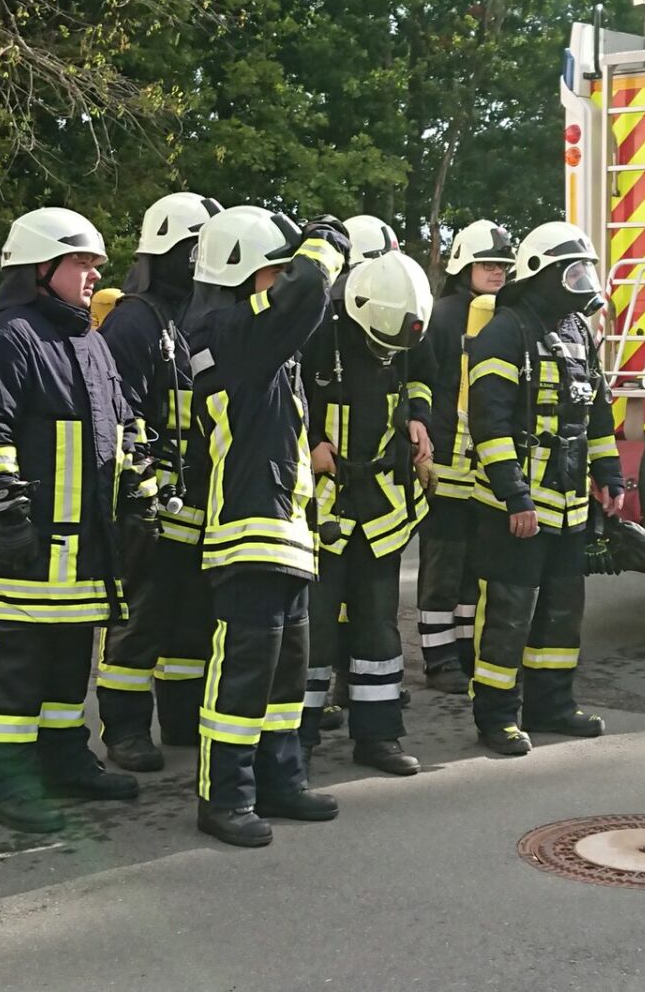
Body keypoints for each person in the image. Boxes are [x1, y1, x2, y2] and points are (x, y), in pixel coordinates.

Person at [0, 207, 142, 834]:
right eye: (81, 262)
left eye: (95, 265)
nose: (92, 275)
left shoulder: (90, 342)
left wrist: (138, 492)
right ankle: (6, 776)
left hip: (87, 550)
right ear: (41, 266)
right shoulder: (9, 337)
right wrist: (6, 510)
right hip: (28, 546)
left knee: (67, 663)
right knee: (20, 664)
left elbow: (121, 429)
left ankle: (63, 760)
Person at [185, 205, 348, 847]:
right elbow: (306, 292)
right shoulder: (226, 328)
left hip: (284, 533)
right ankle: (223, 797)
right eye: (273, 271)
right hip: (248, 531)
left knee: (284, 674)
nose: (284, 281)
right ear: (243, 272)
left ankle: (280, 779)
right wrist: (327, 243)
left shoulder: (255, 338)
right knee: (245, 673)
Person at [462, 221, 623, 756]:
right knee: (507, 614)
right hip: (518, 508)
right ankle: (496, 717)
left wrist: (610, 476)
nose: (582, 283)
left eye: (586, 271)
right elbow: (490, 419)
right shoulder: (504, 331)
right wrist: (515, 495)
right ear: (540, 274)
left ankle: (552, 704)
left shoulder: (578, 330)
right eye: (573, 272)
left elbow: (595, 410)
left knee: (562, 609)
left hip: (570, 503)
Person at [94, 193, 224, 772]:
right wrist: (136, 490)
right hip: (147, 502)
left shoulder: (199, 318)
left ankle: (180, 717)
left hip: (199, 504)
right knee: (141, 618)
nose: (201, 261)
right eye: (193, 248)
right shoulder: (133, 317)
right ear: (164, 249)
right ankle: (124, 729)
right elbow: (116, 411)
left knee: (191, 618)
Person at [299, 249, 435, 775]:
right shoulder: (316, 330)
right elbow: (281, 391)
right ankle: (299, 742)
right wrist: (309, 439)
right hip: (325, 503)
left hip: (382, 500)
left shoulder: (404, 325)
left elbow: (422, 374)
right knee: (315, 629)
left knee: (378, 627)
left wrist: (419, 416)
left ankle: (379, 738)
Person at [414, 221, 513, 693]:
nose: (497, 272)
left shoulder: (506, 316)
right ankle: (439, 659)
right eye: (487, 264)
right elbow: (422, 382)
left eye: (503, 266)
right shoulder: (442, 316)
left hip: (488, 466)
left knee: (477, 564)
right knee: (443, 562)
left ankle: (465, 651)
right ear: (464, 266)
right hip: (446, 464)